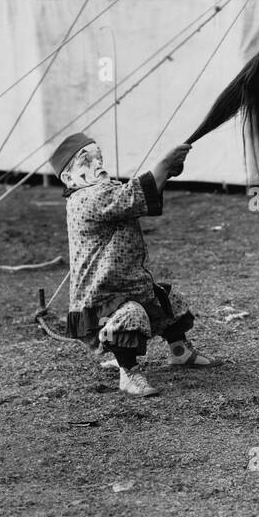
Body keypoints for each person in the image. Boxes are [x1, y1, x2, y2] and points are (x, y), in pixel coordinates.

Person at [50, 132, 219, 398]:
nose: (97, 164)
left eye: (99, 157)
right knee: (132, 314)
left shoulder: (105, 192)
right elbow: (132, 197)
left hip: (126, 285)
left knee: (166, 299)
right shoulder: (86, 200)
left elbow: (133, 196)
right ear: (69, 178)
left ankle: (179, 350)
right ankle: (127, 373)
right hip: (101, 300)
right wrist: (163, 166)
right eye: (86, 161)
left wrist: (165, 174)